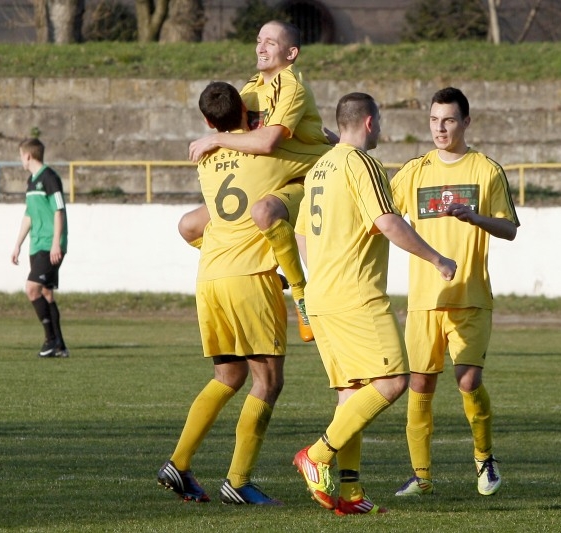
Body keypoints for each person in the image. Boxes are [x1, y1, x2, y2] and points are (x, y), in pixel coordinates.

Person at [157, 81, 322, 505]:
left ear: (208, 122)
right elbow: (325, 156)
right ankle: (239, 480)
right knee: (267, 381)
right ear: (249, 115)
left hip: (211, 275)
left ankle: (179, 463)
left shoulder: (206, 158)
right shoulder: (269, 156)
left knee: (228, 377)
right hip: (250, 278)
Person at [292, 92, 457, 515]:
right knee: (393, 381)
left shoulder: (320, 168)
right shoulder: (362, 163)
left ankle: (351, 493)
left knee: (352, 393)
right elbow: (387, 221)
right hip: (355, 294)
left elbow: (300, 233)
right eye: (379, 121)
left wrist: (321, 271)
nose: (380, 128)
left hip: (322, 294)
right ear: (369, 122)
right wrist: (437, 259)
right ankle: (317, 455)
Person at [388, 87, 520, 498]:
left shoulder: (487, 170)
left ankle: (484, 458)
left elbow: (510, 229)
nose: (440, 128)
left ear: (466, 122)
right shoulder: (414, 171)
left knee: (468, 381)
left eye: (448, 120)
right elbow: (383, 215)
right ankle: (421, 475)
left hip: (471, 298)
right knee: (420, 385)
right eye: (434, 120)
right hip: (424, 301)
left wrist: (477, 218)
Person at [183, 20, 332, 343]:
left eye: (271, 43)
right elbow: (235, 129)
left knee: (264, 211)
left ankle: (300, 294)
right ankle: (263, 270)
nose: (261, 48)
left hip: (302, 176)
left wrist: (216, 140)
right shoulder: (250, 89)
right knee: (190, 226)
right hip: (268, 177)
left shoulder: (290, 87)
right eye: (259, 40)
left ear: (291, 53)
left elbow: (267, 142)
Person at [11, 138, 69, 358]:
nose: (20, 160)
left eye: (21, 155)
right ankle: (60, 346)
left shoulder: (50, 178)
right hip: (36, 245)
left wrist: (56, 243)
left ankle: (50, 340)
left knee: (31, 288)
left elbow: (58, 210)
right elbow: (29, 215)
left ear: (28, 156)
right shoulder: (31, 181)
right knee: (46, 293)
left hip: (49, 244)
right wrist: (18, 244)